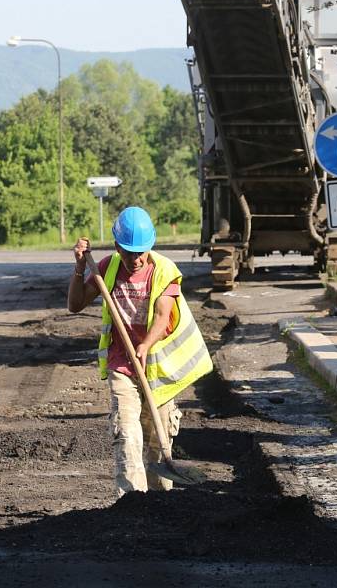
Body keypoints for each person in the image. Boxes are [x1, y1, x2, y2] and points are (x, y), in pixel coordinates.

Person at [68, 206, 212, 497]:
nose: (136, 259)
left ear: (151, 247)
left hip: (160, 367)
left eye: (141, 252)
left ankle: (160, 501)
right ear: (118, 246)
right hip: (122, 364)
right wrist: (80, 267)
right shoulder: (107, 267)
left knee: (159, 439)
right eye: (129, 252)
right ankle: (132, 501)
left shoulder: (164, 271)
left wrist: (145, 344)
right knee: (127, 433)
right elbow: (75, 304)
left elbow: (162, 316)